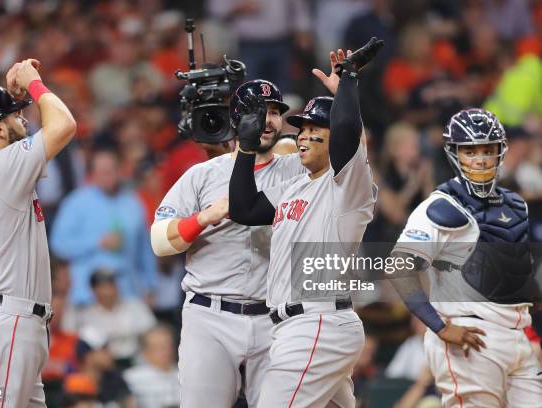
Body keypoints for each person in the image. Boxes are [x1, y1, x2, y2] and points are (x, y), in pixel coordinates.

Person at [229, 38, 382, 407]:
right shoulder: (296, 184)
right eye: (302, 128)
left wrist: (348, 82)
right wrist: (246, 151)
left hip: (317, 324)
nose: (306, 135)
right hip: (299, 327)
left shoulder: (347, 184)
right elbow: (245, 210)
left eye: (318, 130)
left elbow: (347, 132)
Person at [150, 79, 305, 408]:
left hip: (275, 317)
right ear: (236, 119)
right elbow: (160, 242)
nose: (268, 119)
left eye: (276, 112)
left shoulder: (298, 171)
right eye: (258, 111)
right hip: (211, 316)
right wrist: (205, 217)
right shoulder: (202, 175)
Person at [390, 108, 542, 406]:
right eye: (470, 151)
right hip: (470, 333)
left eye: (489, 149)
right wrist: (440, 326)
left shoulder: (515, 204)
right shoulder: (441, 206)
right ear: (454, 154)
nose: (481, 158)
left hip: (519, 334)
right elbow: (398, 266)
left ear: (501, 151)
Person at [0, 59, 76, 406]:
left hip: (5, 324)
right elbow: (65, 124)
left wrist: (7, 96)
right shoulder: (4, 169)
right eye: (15, 115)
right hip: (9, 326)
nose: (25, 118)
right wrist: (34, 83)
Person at [50, 148, 158, 306]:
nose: (108, 176)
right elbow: (58, 244)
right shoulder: (76, 202)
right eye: (102, 172)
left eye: (111, 170)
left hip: (127, 294)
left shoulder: (133, 203)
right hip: (87, 296)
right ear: (92, 174)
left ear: (120, 171)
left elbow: (145, 250)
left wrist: (150, 285)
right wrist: (96, 242)